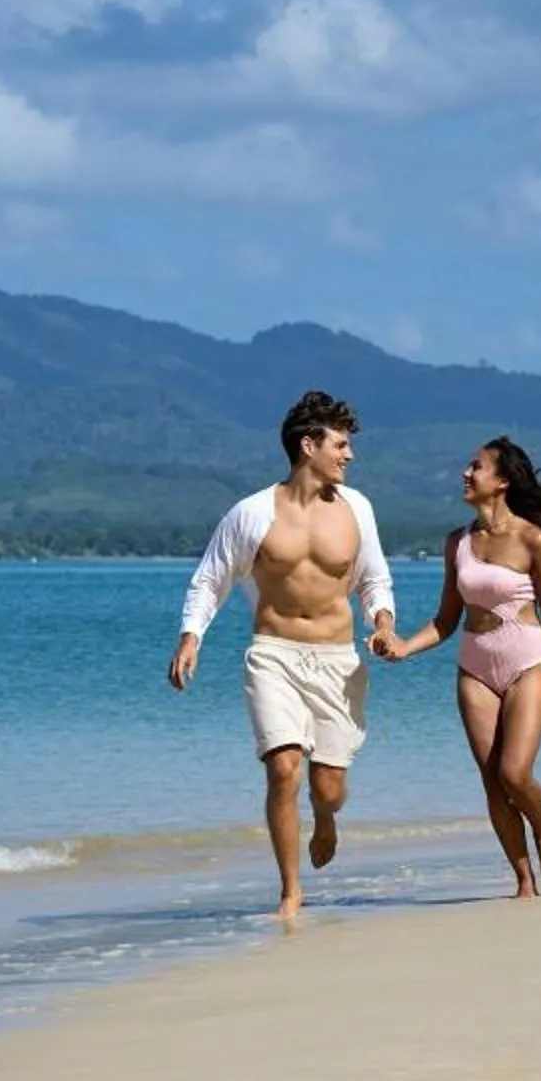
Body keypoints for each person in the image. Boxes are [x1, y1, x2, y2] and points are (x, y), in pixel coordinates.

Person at [169, 391, 397, 919]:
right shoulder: (252, 513)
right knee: (283, 768)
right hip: (274, 654)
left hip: (337, 659)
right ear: (308, 445)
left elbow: (374, 580)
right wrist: (191, 636)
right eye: (340, 445)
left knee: (329, 788)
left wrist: (383, 623)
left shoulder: (357, 509)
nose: (349, 455)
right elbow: (210, 579)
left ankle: (326, 816)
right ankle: (290, 892)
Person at [373, 439, 541, 897]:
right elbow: (446, 620)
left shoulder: (533, 540)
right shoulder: (458, 543)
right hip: (475, 667)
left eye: (477, 467)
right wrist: (405, 647)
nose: (466, 473)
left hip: (526, 662)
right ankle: (524, 882)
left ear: (502, 480)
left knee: (514, 774)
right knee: (492, 782)